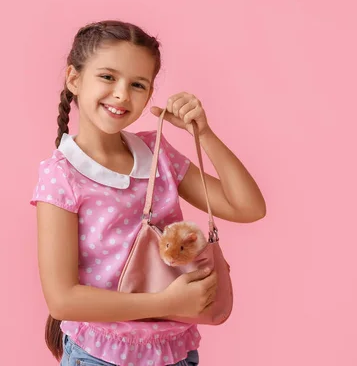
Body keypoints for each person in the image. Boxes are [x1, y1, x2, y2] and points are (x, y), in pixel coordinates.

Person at [30, 20, 266, 365]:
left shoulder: (157, 154)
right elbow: (62, 300)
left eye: (138, 84)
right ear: (74, 79)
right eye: (108, 77)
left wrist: (203, 134)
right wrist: (167, 304)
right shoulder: (61, 176)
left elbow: (248, 207)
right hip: (99, 356)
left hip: (175, 353)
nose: (122, 94)